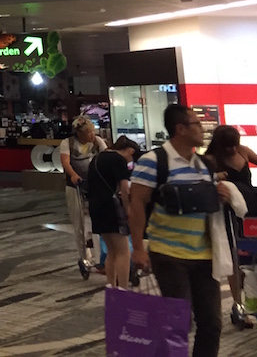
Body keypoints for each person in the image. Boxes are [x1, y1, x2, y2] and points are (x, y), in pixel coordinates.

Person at [130, 104, 243, 357]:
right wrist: (138, 248)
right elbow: (136, 204)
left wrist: (221, 195)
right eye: (197, 124)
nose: (202, 129)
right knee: (178, 323)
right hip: (168, 253)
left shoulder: (203, 164)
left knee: (212, 324)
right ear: (180, 128)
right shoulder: (154, 161)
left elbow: (205, 202)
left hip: (204, 255)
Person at [203, 124, 257, 325]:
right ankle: (237, 302)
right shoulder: (211, 159)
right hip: (226, 211)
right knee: (233, 257)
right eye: (228, 147)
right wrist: (215, 177)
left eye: (235, 145)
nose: (233, 150)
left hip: (249, 208)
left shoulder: (244, 151)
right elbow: (201, 181)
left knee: (253, 257)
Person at [86, 136, 140, 288]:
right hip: (112, 208)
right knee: (123, 251)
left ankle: (111, 286)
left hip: (96, 207)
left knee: (111, 250)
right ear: (130, 151)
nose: (130, 162)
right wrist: (128, 208)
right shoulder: (118, 160)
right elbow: (124, 187)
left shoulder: (96, 158)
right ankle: (122, 288)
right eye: (131, 158)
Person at [58, 115, 109, 273]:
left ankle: (102, 258)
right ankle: (84, 256)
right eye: (88, 132)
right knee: (79, 223)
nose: (92, 135)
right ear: (79, 133)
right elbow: (65, 162)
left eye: (92, 131)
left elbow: (107, 158)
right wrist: (73, 175)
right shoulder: (68, 144)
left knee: (98, 222)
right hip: (75, 186)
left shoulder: (97, 142)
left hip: (94, 185)